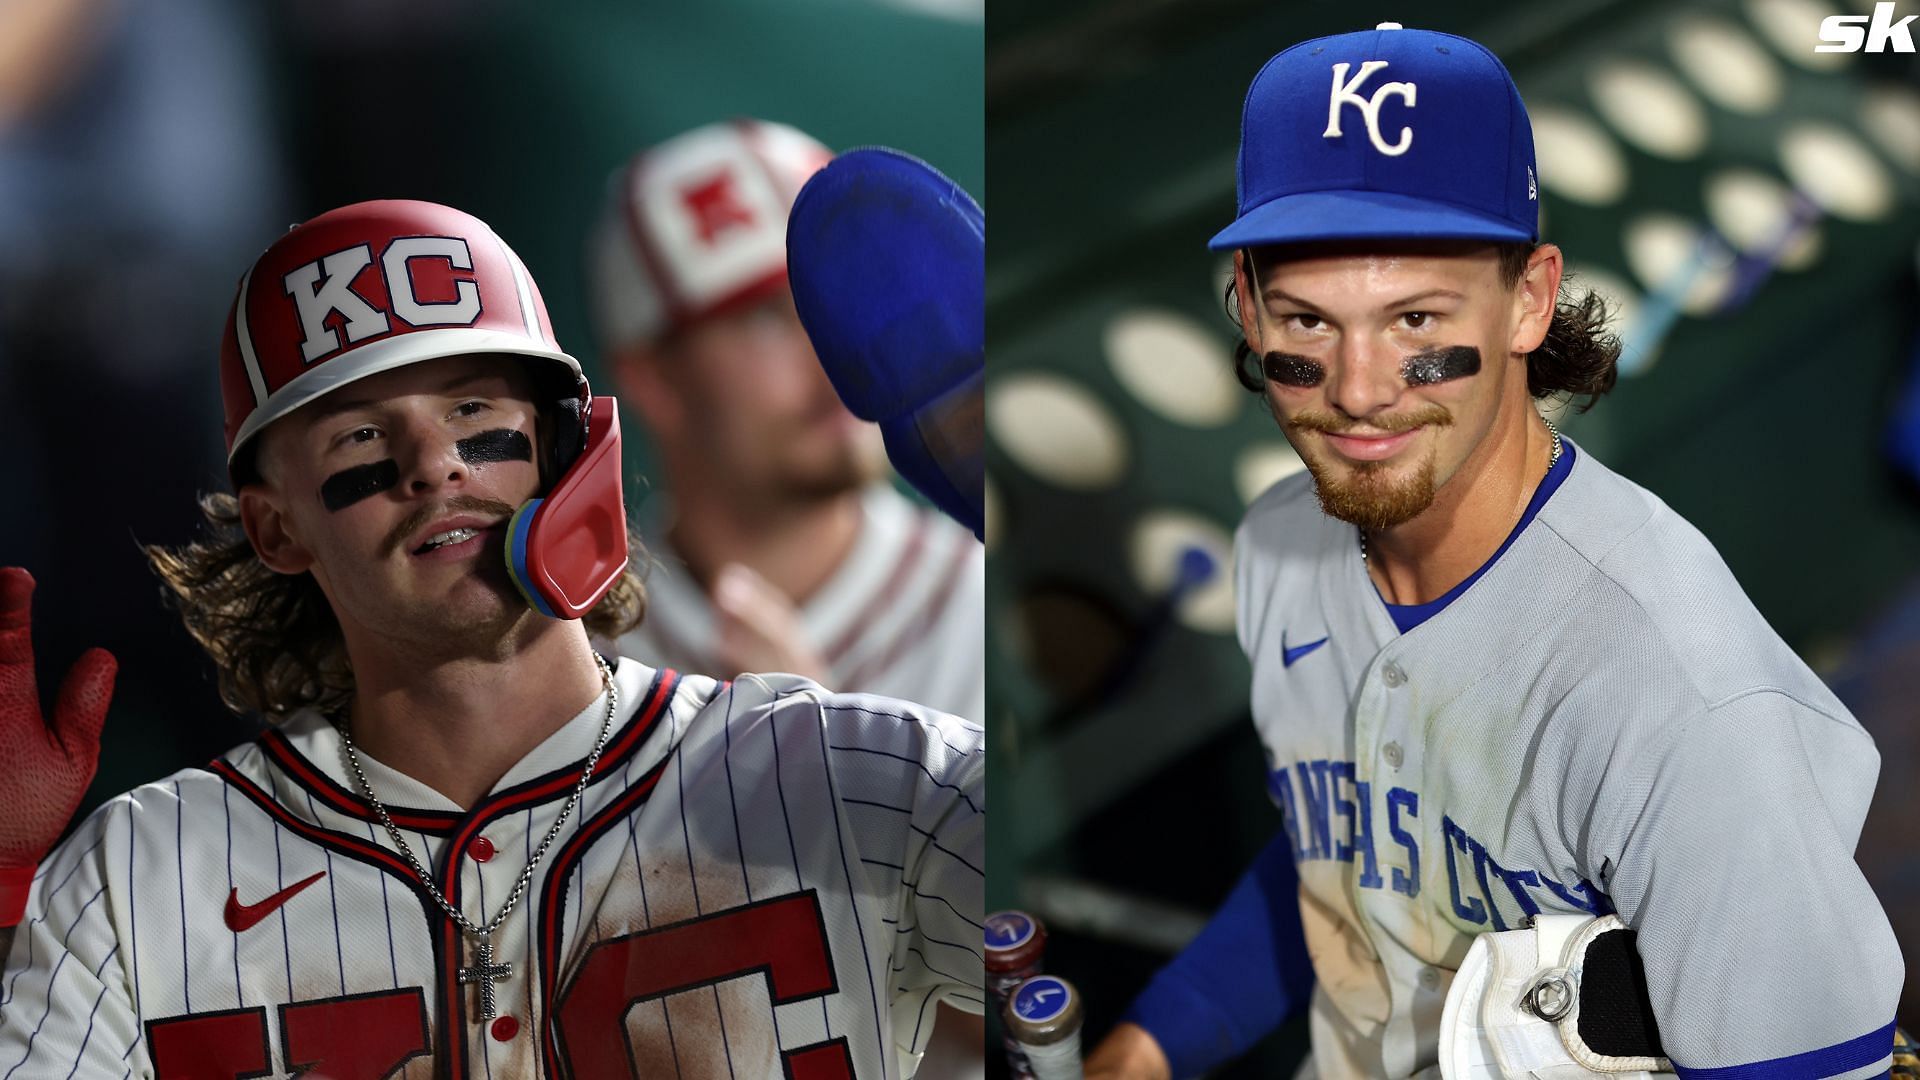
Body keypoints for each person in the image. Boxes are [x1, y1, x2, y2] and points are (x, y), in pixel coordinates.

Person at [1083, 22, 1903, 1080]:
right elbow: (1345, 864)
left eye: (1416, 319)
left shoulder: (1681, 699)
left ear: (1529, 299)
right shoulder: (1288, 543)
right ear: (1245, 304)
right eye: (1308, 321)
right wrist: (1147, 1048)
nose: (1361, 388)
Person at [0, 198, 984, 1078]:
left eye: (474, 409)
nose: (434, 465)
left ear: (565, 453)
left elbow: (1110, 945)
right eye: (360, 438)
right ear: (275, 527)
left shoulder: (839, 774)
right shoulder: (138, 878)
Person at [588, 119, 985, 725]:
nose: (838, 354)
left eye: (850, 304)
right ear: (652, 379)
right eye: (773, 318)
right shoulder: (581, 655)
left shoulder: (988, 597)